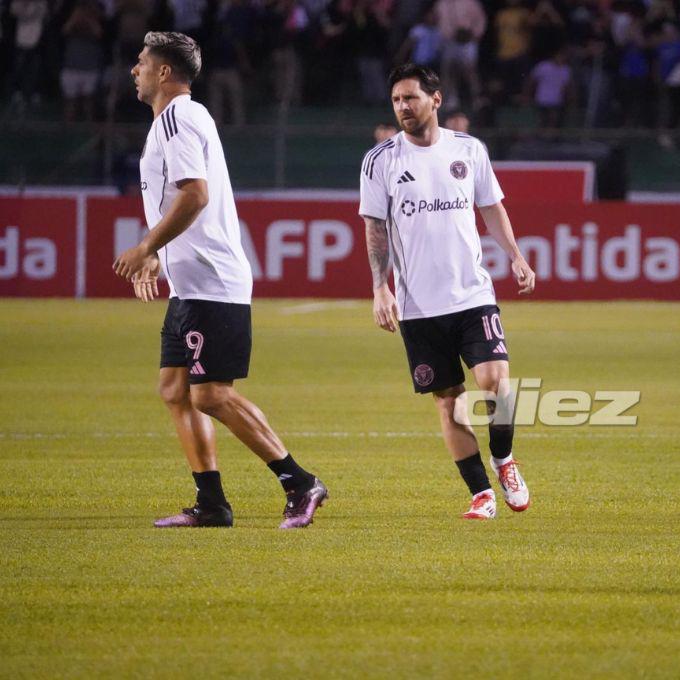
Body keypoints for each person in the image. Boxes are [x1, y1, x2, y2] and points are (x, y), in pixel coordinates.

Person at [113, 32, 327, 529]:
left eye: (142, 62)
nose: (134, 69)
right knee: (174, 388)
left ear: (165, 72)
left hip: (212, 282)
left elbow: (195, 195)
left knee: (209, 393)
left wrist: (146, 247)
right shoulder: (172, 121)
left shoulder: (179, 117)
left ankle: (299, 481)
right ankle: (211, 504)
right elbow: (183, 204)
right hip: (191, 283)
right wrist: (162, 260)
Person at [359, 63, 536, 520]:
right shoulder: (380, 161)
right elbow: (375, 229)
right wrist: (381, 288)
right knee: (449, 400)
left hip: (472, 294)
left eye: (410, 98)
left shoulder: (469, 150)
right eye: (396, 100)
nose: (402, 107)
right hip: (419, 306)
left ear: (435, 100)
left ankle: (504, 459)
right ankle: (481, 493)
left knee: (496, 383)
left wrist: (515, 255)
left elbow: (491, 207)